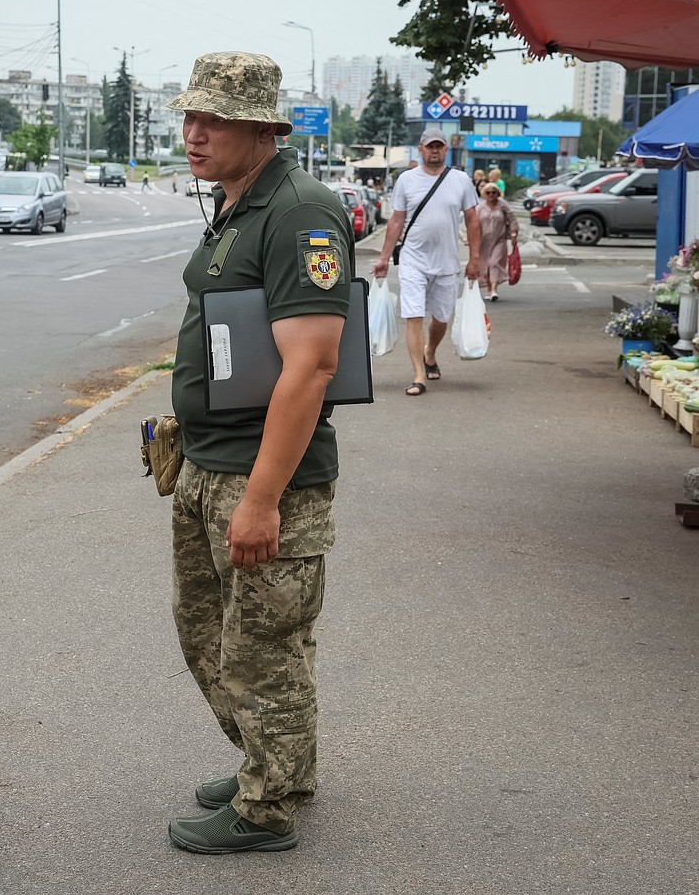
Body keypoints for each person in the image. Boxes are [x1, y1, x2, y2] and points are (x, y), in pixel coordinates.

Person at [163, 51, 352, 855]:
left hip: (262, 476)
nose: (193, 133)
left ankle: (268, 804)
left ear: (262, 128)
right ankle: (270, 759)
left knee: (260, 647)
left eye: (213, 120)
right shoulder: (236, 202)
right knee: (207, 631)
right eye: (190, 116)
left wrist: (264, 499)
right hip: (210, 462)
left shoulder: (301, 211)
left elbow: (311, 365)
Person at [371, 127, 479, 396]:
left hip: (447, 262)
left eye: (439, 146)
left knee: (441, 318)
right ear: (420, 149)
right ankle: (419, 373)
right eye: (429, 146)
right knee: (413, 315)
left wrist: (475, 258)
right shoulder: (407, 180)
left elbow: (473, 220)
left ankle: (430, 351)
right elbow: (396, 220)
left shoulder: (461, 180)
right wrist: (384, 257)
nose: (434, 150)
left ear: (446, 149)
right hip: (413, 259)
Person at [477, 182, 518, 302]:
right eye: (488, 192)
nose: (491, 195)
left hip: (499, 239)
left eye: (493, 192)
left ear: (497, 193)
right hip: (483, 241)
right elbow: (473, 223)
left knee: (494, 263)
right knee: (485, 265)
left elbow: (512, 219)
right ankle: (489, 289)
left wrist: (514, 233)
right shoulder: (480, 207)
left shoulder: (503, 205)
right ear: (485, 194)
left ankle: (494, 290)